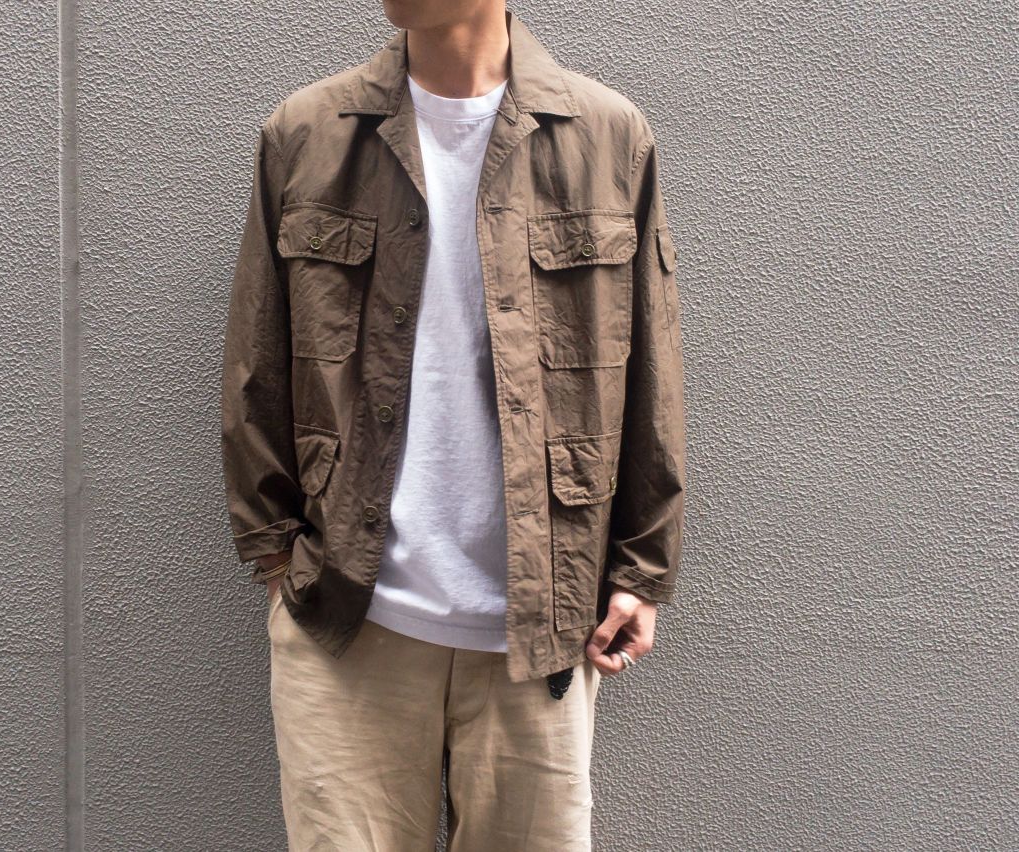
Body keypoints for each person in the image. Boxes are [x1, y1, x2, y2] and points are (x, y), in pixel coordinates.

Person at [221, 2, 686, 848]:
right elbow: (258, 363)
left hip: (541, 627)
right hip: (345, 623)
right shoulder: (308, 134)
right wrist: (279, 557)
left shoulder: (607, 136)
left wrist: (640, 570)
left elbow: (650, 368)